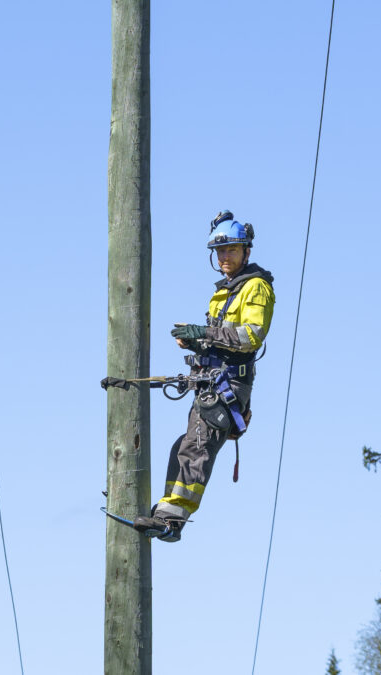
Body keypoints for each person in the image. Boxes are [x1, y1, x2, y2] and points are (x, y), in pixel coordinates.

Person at [133, 210, 275, 542]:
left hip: (228, 384)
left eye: (231, 250)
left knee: (197, 448)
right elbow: (221, 336)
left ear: (246, 251)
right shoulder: (227, 289)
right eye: (220, 251)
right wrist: (197, 341)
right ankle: (168, 509)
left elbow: (250, 336)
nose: (225, 257)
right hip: (211, 380)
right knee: (183, 447)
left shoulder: (255, 287)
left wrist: (205, 333)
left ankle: (171, 522)